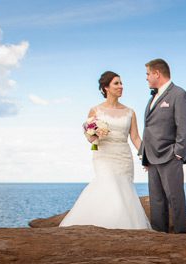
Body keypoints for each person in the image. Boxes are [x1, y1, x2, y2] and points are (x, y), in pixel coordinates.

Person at [60, 71, 152, 230]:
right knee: (109, 184)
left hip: (123, 157)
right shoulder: (95, 110)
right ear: (106, 88)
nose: (121, 86)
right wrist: (95, 134)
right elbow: (90, 138)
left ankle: (124, 227)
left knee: (123, 189)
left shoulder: (130, 112)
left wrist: (146, 156)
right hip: (103, 156)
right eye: (116, 83)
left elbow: (135, 138)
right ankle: (105, 224)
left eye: (121, 83)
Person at [141, 58, 186, 234]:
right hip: (152, 157)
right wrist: (145, 155)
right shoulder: (153, 97)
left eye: (148, 74)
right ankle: (159, 237)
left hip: (170, 156)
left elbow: (184, 126)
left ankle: (182, 236)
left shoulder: (179, 94)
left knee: (175, 199)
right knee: (156, 201)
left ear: (157, 73)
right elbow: (148, 128)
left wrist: (178, 152)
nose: (146, 77)